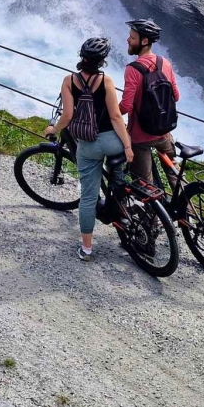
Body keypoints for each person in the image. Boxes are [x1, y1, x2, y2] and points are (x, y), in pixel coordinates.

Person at [44, 37, 133, 262]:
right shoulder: (106, 80)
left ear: (82, 56)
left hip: (88, 145)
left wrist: (54, 128)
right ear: (102, 61)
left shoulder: (69, 81)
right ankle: (119, 205)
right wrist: (127, 146)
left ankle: (87, 249)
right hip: (112, 143)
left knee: (88, 197)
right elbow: (115, 116)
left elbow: (67, 115)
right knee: (117, 176)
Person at [118, 18, 180, 188]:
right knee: (174, 172)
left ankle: (149, 204)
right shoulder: (165, 63)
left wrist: (109, 113)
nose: (128, 40)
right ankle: (185, 203)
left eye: (132, 37)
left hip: (141, 137)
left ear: (144, 41)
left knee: (144, 184)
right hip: (164, 132)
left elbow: (126, 106)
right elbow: (176, 96)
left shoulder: (133, 69)